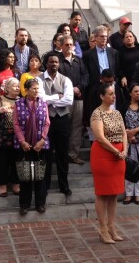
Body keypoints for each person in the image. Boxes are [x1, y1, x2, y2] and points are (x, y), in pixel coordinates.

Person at [90, 83, 128, 244]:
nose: (114, 96)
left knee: (114, 193)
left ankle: (112, 227)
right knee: (103, 193)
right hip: (104, 155)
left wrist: (125, 150)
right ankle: (103, 228)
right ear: (102, 96)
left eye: (114, 94)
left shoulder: (117, 113)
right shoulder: (97, 114)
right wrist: (116, 151)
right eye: (110, 94)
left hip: (119, 155)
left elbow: (124, 132)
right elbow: (100, 137)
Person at [13, 78, 51, 215]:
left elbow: (47, 123)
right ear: (26, 90)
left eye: (37, 88)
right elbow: (16, 124)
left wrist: (42, 140)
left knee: (40, 176)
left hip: (40, 145)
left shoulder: (43, 103)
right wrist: (22, 141)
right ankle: (24, 204)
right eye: (33, 88)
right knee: (25, 176)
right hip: (24, 146)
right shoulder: (18, 104)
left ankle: (40, 203)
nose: (36, 91)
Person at [41, 52, 74, 198]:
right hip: (45, 120)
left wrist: (50, 100)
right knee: (46, 154)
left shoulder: (66, 80)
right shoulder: (39, 79)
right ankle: (44, 185)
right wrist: (56, 97)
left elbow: (68, 101)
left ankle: (64, 185)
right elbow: (41, 100)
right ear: (46, 64)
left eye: (56, 62)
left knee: (62, 153)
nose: (54, 64)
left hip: (62, 120)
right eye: (51, 62)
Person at [58, 35, 89, 166]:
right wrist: (70, 89)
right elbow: (56, 78)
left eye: (71, 45)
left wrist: (79, 87)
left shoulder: (78, 60)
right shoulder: (57, 61)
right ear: (61, 46)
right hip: (64, 99)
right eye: (67, 45)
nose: (69, 47)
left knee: (76, 127)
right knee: (64, 127)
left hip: (78, 98)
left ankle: (73, 154)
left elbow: (85, 75)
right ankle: (62, 154)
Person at [0, 77, 21, 197]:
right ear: (7, 88)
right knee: (2, 162)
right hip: (2, 138)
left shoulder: (21, 101)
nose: (17, 88)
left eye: (18, 86)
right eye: (14, 86)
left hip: (18, 138)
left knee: (17, 161)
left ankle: (16, 184)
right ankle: (2, 185)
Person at [83, 25, 118, 96]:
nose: (104, 38)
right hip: (95, 89)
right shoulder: (87, 55)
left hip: (111, 87)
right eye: (102, 36)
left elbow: (117, 69)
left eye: (106, 36)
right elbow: (86, 72)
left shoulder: (113, 52)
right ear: (95, 37)